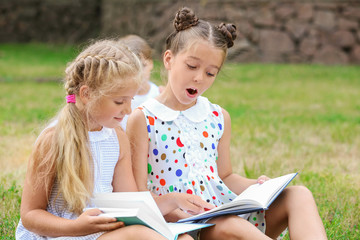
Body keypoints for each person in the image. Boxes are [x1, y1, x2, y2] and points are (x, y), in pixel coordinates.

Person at [127, 7, 328, 240]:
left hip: (225, 213)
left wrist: (258, 186)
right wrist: (177, 209)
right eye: (191, 66)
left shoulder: (217, 116)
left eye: (210, 73)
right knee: (231, 225)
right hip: (185, 226)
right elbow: (139, 194)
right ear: (169, 59)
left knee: (298, 194)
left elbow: (226, 177)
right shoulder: (143, 118)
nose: (199, 78)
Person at [15, 39, 210, 240]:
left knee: (183, 238)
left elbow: (131, 205)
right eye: (119, 101)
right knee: (137, 234)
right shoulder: (53, 140)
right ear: (86, 94)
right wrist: (77, 227)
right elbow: (31, 215)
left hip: (102, 233)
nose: (127, 110)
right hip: (63, 234)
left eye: (131, 100)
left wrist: (173, 200)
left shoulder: (117, 138)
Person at [117, 34, 161, 131]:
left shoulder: (160, 95)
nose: (139, 74)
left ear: (151, 63)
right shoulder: (117, 99)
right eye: (132, 69)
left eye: (143, 66)